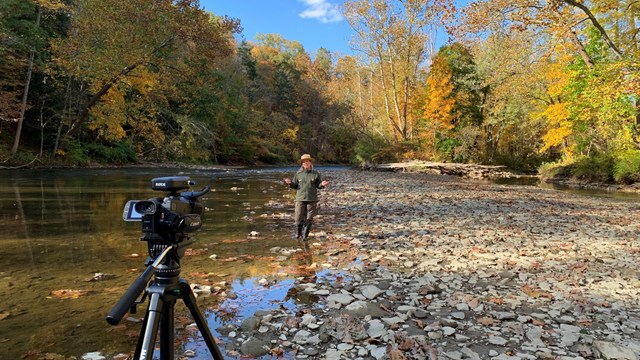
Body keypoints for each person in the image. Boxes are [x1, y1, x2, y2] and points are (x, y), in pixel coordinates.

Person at [283, 154, 329, 241]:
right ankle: (299, 233)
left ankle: (305, 236)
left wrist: (322, 184)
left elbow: (318, 185)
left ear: (310, 162)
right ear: (301, 164)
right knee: (298, 218)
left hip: (312, 199)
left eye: (307, 161)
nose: (305, 163)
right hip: (300, 199)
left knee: (309, 218)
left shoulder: (316, 174)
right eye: (303, 162)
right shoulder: (298, 174)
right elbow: (295, 185)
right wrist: (289, 183)